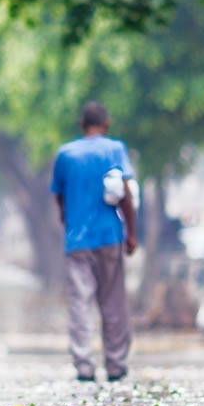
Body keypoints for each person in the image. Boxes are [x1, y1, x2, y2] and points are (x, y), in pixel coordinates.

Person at [51, 101, 138, 382]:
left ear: (81, 124)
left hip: (77, 240)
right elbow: (125, 194)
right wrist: (131, 233)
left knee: (80, 303)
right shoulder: (114, 149)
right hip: (109, 236)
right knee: (113, 302)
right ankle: (116, 364)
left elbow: (59, 197)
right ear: (106, 123)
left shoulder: (65, 154)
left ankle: (84, 365)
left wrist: (68, 222)